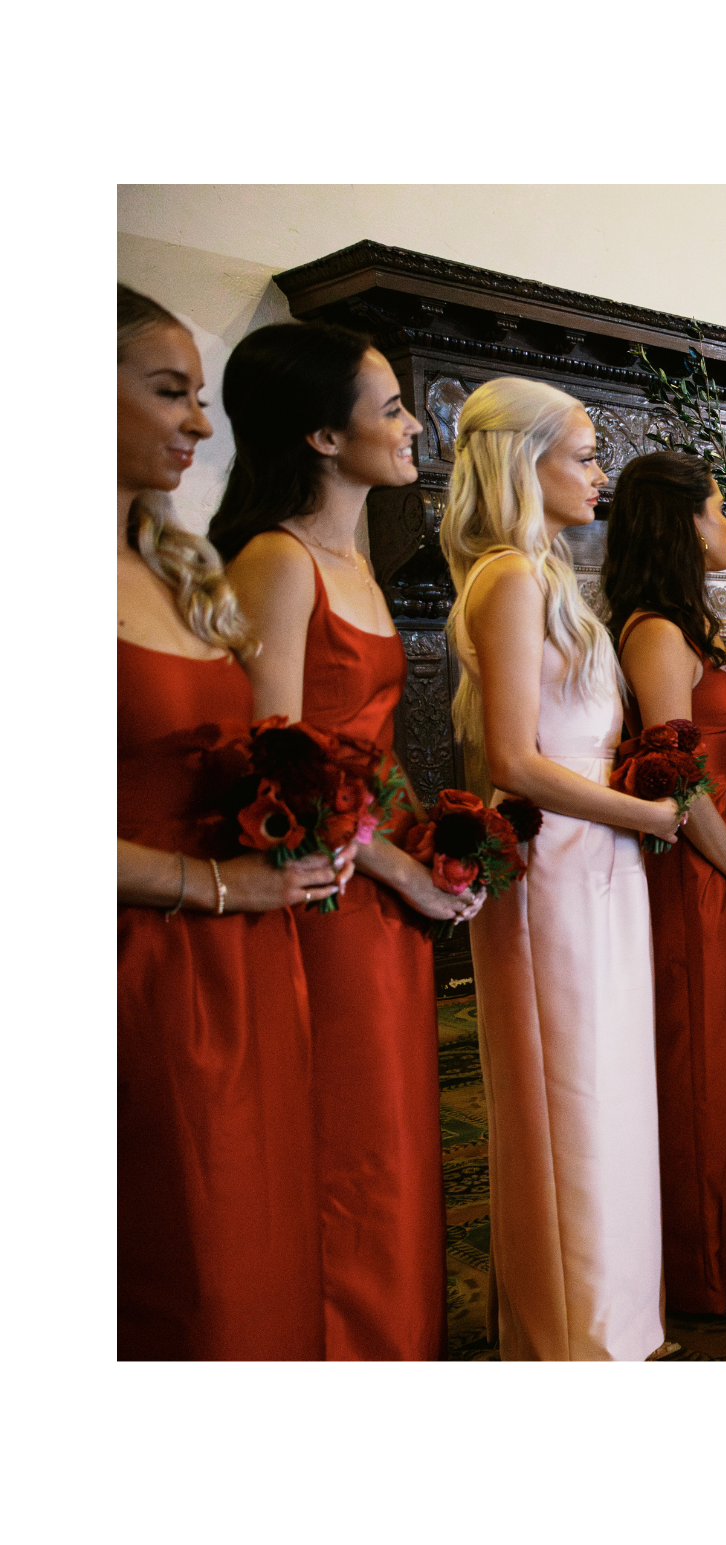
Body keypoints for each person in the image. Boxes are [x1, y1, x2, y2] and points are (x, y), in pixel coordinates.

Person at [210, 321, 465, 1360]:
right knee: (351, 1139)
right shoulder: (276, 560)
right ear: (321, 434)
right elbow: (271, 757)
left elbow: (374, 752)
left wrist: (440, 855)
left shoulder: (350, 559)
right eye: (390, 407)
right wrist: (400, 867)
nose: (411, 425)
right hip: (324, 895)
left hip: (382, 884)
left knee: (399, 1128)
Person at [117, 285, 351, 1359]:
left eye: (203, 399)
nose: (202, 425)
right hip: (138, 963)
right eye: (171, 393)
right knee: (185, 1263)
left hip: (248, 955)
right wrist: (217, 886)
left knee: (267, 1236)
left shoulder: (182, 570)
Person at [443, 376, 687, 1361]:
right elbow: (511, 761)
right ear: (521, 461)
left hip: (601, 862)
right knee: (573, 1094)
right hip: (555, 869)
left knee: (612, 1087)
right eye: (583, 455)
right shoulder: (506, 576)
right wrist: (645, 812)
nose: (598, 474)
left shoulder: (542, 575)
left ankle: (617, 1319)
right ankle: (576, 1335)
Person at [604, 450, 726, 1321]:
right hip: (696, 875)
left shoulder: (691, 624)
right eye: (716, 512)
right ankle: (707, 1268)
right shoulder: (655, 633)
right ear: (677, 523)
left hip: (724, 864)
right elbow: (677, 779)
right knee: (702, 1069)